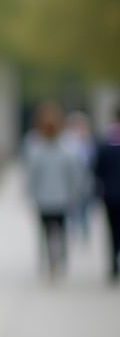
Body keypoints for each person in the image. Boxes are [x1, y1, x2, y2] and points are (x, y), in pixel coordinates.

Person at [24, 102, 86, 278]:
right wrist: (74, 194)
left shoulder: (37, 149)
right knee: (60, 231)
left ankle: (48, 261)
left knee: (45, 232)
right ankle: (60, 260)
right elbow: (74, 175)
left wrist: (31, 194)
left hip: (45, 199)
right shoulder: (67, 149)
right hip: (61, 198)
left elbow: (32, 176)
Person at [61, 111, 97, 241]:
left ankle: (85, 233)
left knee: (85, 208)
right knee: (72, 208)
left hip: (86, 181)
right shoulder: (66, 141)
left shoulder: (88, 141)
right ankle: (73, 231)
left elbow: (92, 161)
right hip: (71, 180)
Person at [94, 108, 120, 281]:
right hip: (111, 193)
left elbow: (97, 170)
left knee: (112, 230)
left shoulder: (106, 142)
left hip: (110, 193)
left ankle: (113, 263)